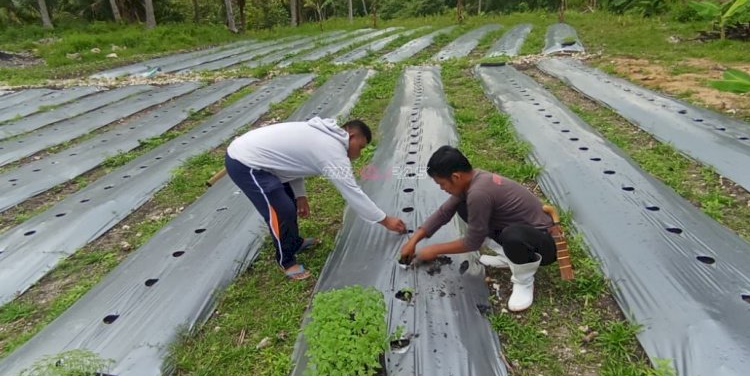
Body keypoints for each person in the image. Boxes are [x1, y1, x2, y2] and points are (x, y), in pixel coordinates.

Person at [226, 117, 407, 280]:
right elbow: (352, 192)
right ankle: (286, 261)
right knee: (282, 210)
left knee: (289, 202)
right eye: (360, 147)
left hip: (264, 160)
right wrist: (385, 220)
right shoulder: (332, 151)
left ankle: (294, 243)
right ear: (351, 135)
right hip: (246, 162)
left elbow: (292, 163)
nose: (358, 154)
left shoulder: (323, 135)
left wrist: (300, 196)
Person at [400, 146, 555, 311]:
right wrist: (414, 240)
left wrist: (435, 249)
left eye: (442, 183)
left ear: (456, 176)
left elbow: (473, 242)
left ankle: (524, 281)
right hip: (524, 231)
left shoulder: (478, 193)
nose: (442, 188)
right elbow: (444, 213)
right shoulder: (473, 179)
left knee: (512, 236)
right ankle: (509, 256)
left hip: (543, 244)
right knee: (463, 207)